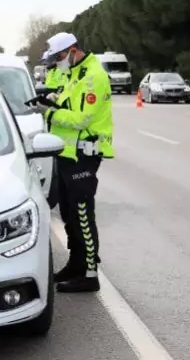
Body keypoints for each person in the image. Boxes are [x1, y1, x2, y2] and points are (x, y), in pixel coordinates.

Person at [34, 32, 114, 292]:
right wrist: (49, 101)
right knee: (69, 212)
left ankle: (90, 273)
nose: (58, 62)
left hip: (85, 154)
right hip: (67, 154)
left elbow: (81, 119)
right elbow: (66, 103)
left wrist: (51, 112)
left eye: (59, 57)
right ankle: (76, 263)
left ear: (72, 50)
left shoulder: (93, 76)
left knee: (82, 213)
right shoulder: (74, 73)